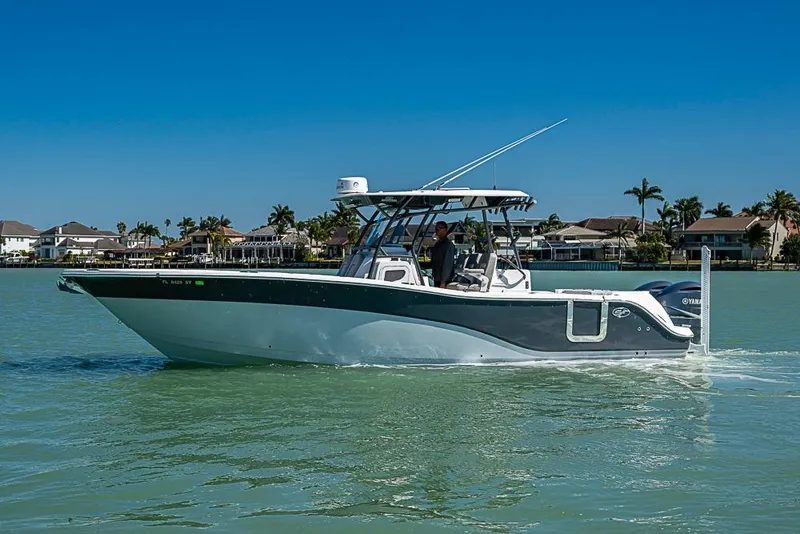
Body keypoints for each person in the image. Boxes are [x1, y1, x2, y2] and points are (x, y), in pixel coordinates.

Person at [431, 221, 456, 288]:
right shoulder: (437, 245)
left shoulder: (448, 245)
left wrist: (443, 281)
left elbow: (448, 264)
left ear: (445, 230)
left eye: (439, 228)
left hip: (444, 281)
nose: (436, 230)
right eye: (436, 228)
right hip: (436, 278)